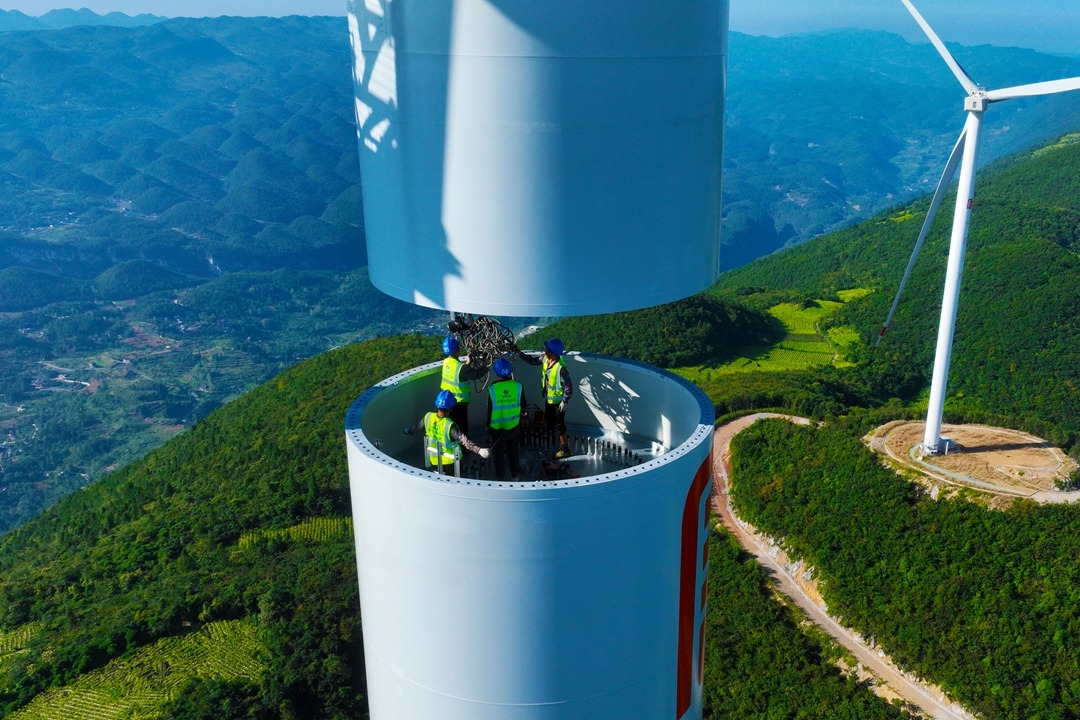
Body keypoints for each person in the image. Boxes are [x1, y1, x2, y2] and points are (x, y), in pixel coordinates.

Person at [404, 390, 489, 476]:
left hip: (434, 460)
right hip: (451, 463)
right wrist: (479, 450)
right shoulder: (449, 425)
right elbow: (464, 441)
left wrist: (408, 430)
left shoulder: (428, 417)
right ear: (451, 408)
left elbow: (417, 428)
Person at [517, 337, 573, 458]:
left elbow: (568, 387)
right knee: (550, 423)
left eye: (546, 349)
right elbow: (532, 361)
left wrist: (565, 401)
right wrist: (518, 353)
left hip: (558, 403)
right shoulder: (545, 359)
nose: (544, 351)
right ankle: (551, 445)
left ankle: (565, 449)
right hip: (549, 400)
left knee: (559, 425)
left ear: (552, 353)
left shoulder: (561, 368)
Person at [486, 358, 526, 481]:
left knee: (498, 455)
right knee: (514, 452)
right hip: (514, 426)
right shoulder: (518, 386)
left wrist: (488, 426)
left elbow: (490, 410)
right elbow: (523, 405)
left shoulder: (492, 389)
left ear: (497, 373)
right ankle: (515, 475)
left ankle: (501, 478)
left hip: (498, 429)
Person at [439, 335, 486, 439]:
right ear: (457, 350)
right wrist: (486, 365)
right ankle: (464, 450)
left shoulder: (446, 362)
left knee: (449, 427)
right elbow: (475, 374)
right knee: (461, 428)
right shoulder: (461, 368)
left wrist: (468, 363)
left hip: (447, 403)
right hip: (458, 404)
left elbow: (459, 373)